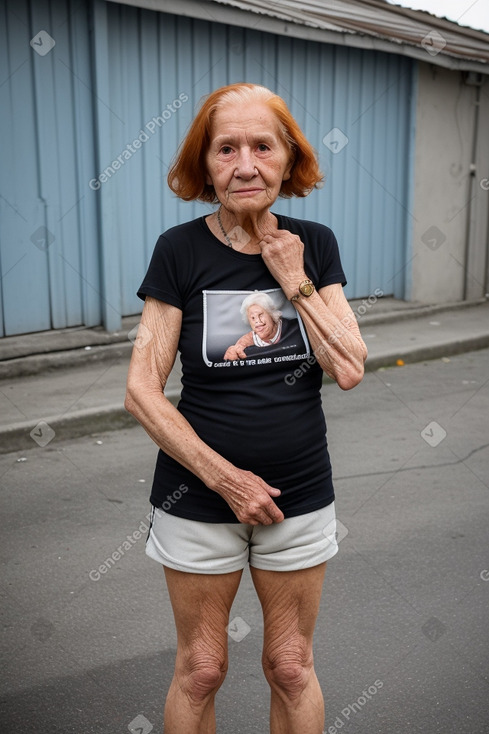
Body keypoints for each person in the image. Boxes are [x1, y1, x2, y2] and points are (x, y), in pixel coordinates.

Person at [125, 82, 368, 734]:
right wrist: (225, 480)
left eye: (262, 146)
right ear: (205, 165)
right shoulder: (179, 251)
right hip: (198, 498)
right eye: (224, 148)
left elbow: (346, 366)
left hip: (300, 493)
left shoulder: (312, 244)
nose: (244, 165)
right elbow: (141, 389)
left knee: (291, 664)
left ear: (288, 159)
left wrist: (295, 280)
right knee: (200, 670)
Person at [224, 291, 302, 359]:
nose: (257, 321)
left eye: (260, 315)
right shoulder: (247, 341)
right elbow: (238, 348)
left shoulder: (296, 327)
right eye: (253, 318)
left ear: (271, 314)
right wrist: (234, 350)